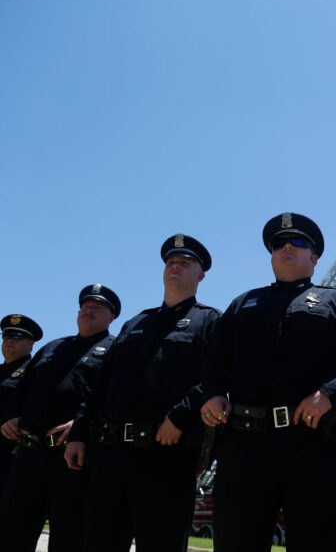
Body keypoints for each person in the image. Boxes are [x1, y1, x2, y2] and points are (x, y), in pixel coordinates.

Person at [200, 212, 336, 552]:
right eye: (279, 244)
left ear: (314, 259)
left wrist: (329, 394)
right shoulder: (243, 303)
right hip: (245, 445)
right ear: (271, 255)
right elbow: (214, 357)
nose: (287, 247)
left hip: (314, 445)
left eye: (298, 242)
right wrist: (213, 393)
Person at [65, 234, 220, 552]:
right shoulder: (137, 322)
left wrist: (179, 415)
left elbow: (216, 378)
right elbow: (102, 385)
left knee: (160, 543)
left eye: (185, 263)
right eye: (171, 262)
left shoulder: (210, 321)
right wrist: (78, 434)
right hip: (109, 456)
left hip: (165, 455)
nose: (175, 266)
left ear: (200, 275)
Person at [0, 286, 119, 552]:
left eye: (97, 308)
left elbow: (113, 399)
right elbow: (21, 390)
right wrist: (11, 417)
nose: (88, 311)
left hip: (71, 458)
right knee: (10, 533)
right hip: (28, 455)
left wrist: (82, 423)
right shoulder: (53, 347)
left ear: (112, 317)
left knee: (69, 537)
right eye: (85, 307)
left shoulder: (115, 351)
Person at [0, 314, 43, 493]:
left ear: (31, 343)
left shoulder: (36, 371)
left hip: (12, 452)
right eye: (6, 337)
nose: (9, 341)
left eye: (17, 338)